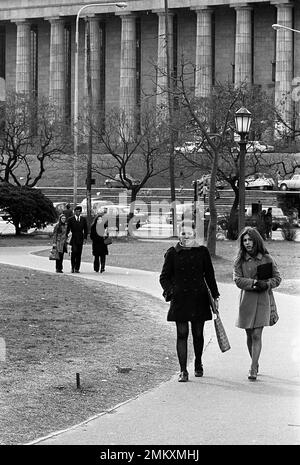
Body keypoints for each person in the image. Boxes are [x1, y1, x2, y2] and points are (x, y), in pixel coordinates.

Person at [159, 221, 220, 382]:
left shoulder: (202, 252)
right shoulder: (172, 253)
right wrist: (172, 291)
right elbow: (164, 277)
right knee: (182, 333)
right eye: (183, 233)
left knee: (198, 334)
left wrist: (215, 295)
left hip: (199, 297)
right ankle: (183, 370)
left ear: (195, 235)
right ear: (179, 234)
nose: (186, 236)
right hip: (180, 299)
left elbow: (210, 275)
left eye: (190, 233)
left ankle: (198, 362)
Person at [233, 227, 281, 381]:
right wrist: (254, 283)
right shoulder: (239, 260)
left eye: (250, 240)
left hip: (262, 300)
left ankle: (253, 368)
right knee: (248, 334)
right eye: (245, 240)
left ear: (256, 240)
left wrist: (266, 284)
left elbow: (277, 278)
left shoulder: (267, 258)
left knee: (256, 334)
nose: (247, 243)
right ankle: (255, 361)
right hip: (246, 300)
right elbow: (238, 279)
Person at [66, 205, 88, 273]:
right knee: (74, 252)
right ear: (74, 211)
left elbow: (86, 229)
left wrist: (85, 238)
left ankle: (77, 268)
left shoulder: (83, 219)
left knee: (79, 253)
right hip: (73, 238)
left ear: (80, 212)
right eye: (76, 211)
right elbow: (68, 229)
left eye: (79, 211)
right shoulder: (70, 219)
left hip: (80, 238)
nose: (77, 212)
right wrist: (66, 237)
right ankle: (72, 267)